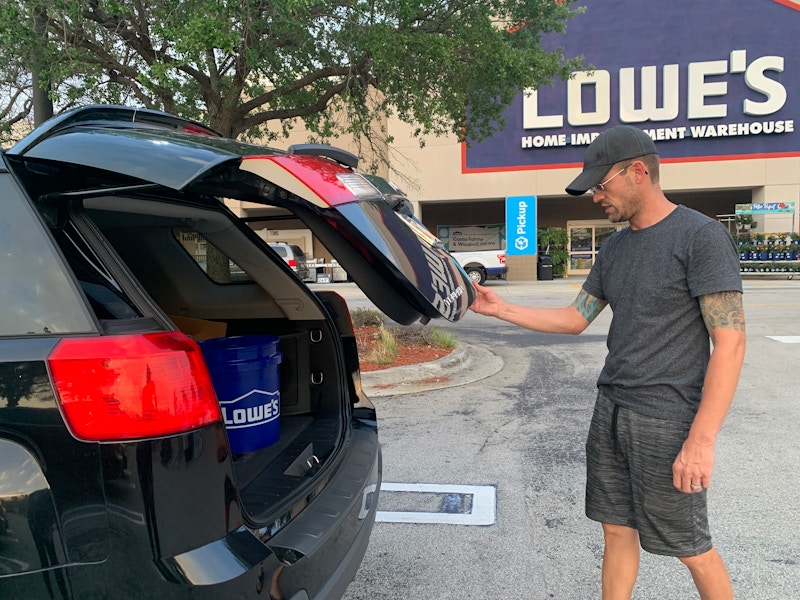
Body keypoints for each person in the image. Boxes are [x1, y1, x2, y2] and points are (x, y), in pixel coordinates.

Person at [470, 125, 746, 600]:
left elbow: (731, 343)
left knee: (690, 547)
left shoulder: (701, 237)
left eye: (602, 183)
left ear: (639, 171)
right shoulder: (615, 248)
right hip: (611, 411)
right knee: (616, 531)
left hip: (667, 418)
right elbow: (576, 318)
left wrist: (701, 441)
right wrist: (500, 309)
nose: (596, 195)